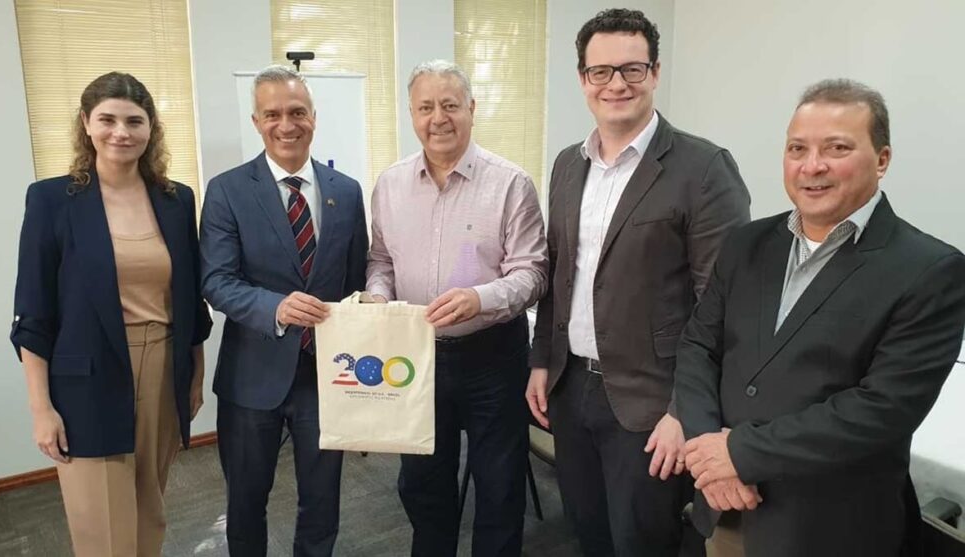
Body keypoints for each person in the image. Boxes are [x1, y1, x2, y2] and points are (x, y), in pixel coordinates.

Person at [675, 78, 965, 557]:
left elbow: (882, 409)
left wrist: (739, 454)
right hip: (726, 505)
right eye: (797, 148)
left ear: (882, 159)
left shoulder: (929, 269)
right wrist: (709, 451)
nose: (812, 166)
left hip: (827, 526)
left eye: (837, 147)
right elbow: (698, 347)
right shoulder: (747, 244)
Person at [526, 8, 751, 556]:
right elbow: (559, 274)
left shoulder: (703, 168)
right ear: (583, 79)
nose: (616, 84)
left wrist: (684, 411)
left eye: (632, 69)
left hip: (651, 404)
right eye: (601, 71)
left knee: (641, 543)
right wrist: (541, 360)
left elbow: (723, 307)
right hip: (570, 387)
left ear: (655, 72)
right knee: (588, 532)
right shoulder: (567, 164)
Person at [11, 71, 212, 556]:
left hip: (162, 366)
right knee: (102, 523)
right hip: (87, 375)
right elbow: (33, 313)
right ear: (86, 123)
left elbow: (190, 298)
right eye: (107, 119)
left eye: (134, 121)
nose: (121, 132)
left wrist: (194, 375)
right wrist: (41, 409)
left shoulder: (176, 199)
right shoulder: (52, 200)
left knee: (148, 508)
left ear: (151, 128)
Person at [366, 59, 547, 556]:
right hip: (416, 356)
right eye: (425, 107)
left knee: (499, 489)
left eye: (450, 105)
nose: (438, 118)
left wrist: (479, 298)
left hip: (493, 356)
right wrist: (378, 294)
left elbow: (532, 273)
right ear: (411, 113)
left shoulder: (510, 183)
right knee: (422, 486)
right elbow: (381, 259)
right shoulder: (390, 184)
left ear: (472, 108)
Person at [200, 64, 368, 557]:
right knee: (246, 501)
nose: (286, 124)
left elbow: (356, 280)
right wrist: (276, 307)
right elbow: (216, 281)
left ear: (314, 116)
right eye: (272, 114)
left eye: (297, 112)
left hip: (327, 375)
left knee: (322, 501)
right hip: (252, 377)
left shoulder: (346, 191)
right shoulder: (228, 190)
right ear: (256, 121)